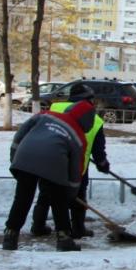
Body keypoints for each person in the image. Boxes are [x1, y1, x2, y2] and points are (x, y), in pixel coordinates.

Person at [2, 99, 96, 252]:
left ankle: (10, 236)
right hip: (54, 164)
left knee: (22, 199)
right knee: (60, 202)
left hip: (25, 157)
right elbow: (75, 170)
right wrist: (71, 193)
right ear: (87, 120)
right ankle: (64, 239)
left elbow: (22, 132)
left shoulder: (45, 115)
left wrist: (15, 155)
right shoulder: (79, 137)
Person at [29, 83, 110, 239]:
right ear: (88, 100)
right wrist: (102, 164)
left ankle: (37, 225)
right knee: (77, 195)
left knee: (46, 193)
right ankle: (77, 228)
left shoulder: (54, 108)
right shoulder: (94, 118)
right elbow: (98, 150)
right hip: (78, 166)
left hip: (49, 161)